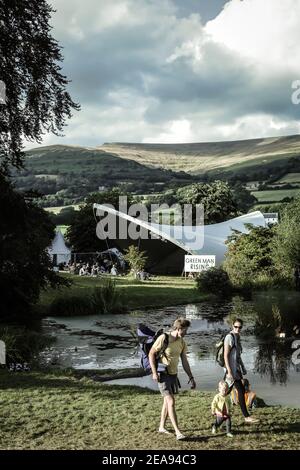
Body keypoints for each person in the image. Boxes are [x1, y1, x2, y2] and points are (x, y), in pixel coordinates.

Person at [149, 317, 196, 440]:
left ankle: (161, 427)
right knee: (171, 401)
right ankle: (178, 432)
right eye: (185, 330)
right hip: (162, 374)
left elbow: (185, 361)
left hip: (173, 374)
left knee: (166, 401)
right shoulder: (164, 338)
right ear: (179, 329)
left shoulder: (181, 342)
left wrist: (191, 377)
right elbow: (151, 353)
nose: (186, 333)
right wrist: (154, 372)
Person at [224, 318, 259, 423]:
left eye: (240, 327)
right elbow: (226, 356)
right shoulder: (229, 337)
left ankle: (246, 416)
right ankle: (246, 416)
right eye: (236, 327)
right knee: (227, 391)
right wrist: (229, 371)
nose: (238, 329)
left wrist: (242, 368)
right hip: (231, 369)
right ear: (232, 326)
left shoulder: (237, 337)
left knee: (234, 390)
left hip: (236, 369)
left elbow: (237, 356)